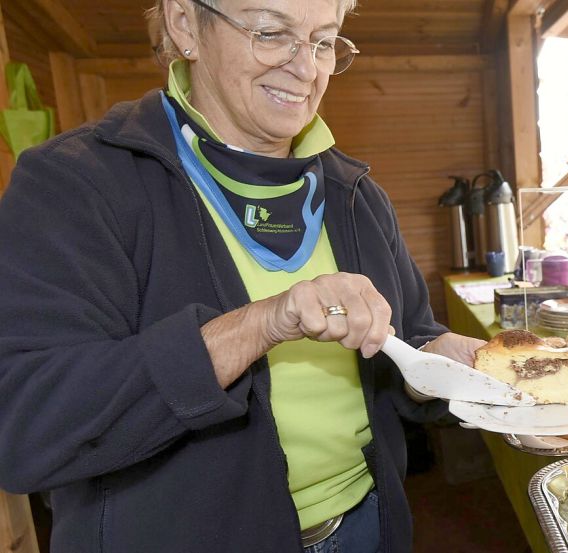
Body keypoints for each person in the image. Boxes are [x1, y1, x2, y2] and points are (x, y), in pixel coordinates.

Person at [0, 1, 482, 552]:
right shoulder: (74, 184)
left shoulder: (356, 194)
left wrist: (460, 369)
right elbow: (25, 427)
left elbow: (406, 340)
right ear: (186, 25)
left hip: (365, 526)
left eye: (324, 41)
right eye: (272, 33)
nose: (307, 69)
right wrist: (260, 324)